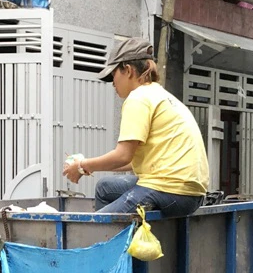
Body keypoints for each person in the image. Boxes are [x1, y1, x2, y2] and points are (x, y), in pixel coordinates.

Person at [61, 37, 209, 217]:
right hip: (189, 194)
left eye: (114, 75)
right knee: (104, 187)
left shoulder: (138, 98)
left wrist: (81, 165)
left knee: (96, 226)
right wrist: (87, 167)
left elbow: (122, 156)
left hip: (168, 189)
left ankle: (110, 236)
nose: (113, 83)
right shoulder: (160, 95)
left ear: (128, 70)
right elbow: (131, 161)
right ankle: (128, 234)